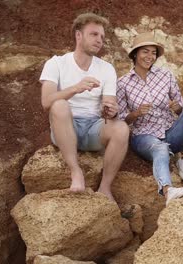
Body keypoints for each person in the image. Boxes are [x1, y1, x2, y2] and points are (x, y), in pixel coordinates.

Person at [39, 13, 129, 201]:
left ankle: (105, 187)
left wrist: (111, 111)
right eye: (94, 34)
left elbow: (109, 105)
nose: (99, 40)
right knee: (60, 105)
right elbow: (46, 101)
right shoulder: (56, 63)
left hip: (93, 130)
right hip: (65, 127)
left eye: (102, 37)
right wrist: (76, 88)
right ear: (78, 35)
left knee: (121, 128)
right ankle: (76, 171)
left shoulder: (106, 68)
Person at [117, 32, 183, 205]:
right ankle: (168, 190)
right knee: (160, 148)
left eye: (153, 53)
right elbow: (121, 121)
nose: (150, 56)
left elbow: (182, 110)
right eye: (145, 51)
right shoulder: (122, 83)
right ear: (135, 53)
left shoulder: (166, 75)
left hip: (171, 132)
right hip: (144, 136)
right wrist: (135, 113)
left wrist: (178, 108)